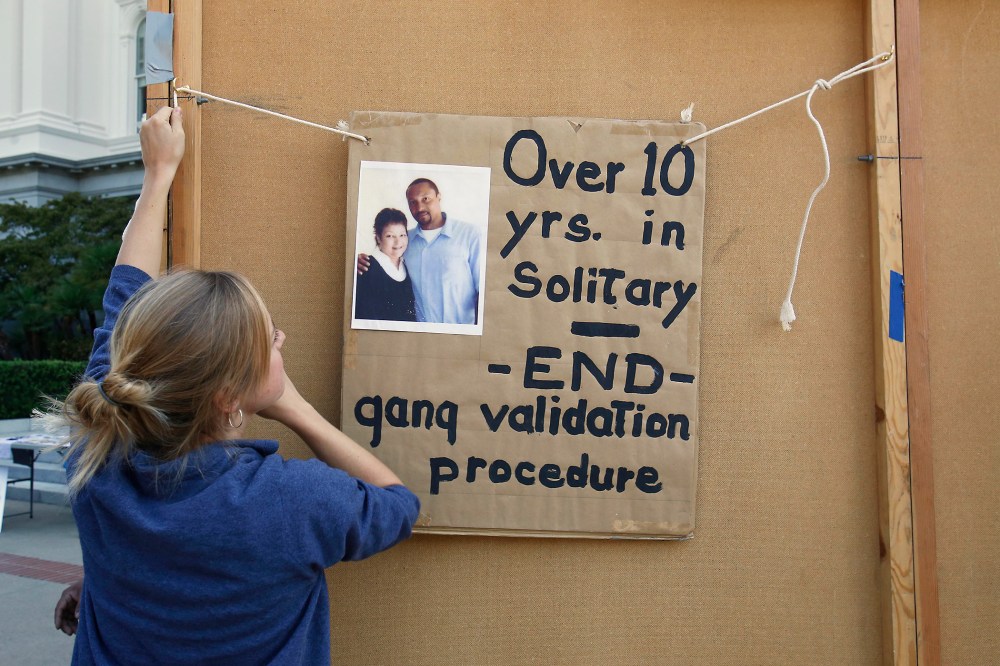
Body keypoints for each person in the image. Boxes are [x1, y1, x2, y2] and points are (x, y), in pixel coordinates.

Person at [50, 106, 419, 665]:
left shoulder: (96, 450)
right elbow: (398, 505)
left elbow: (124, 295)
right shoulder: (290, 500)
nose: (282, 338)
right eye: (268, 344)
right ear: (230, 399)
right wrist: (291, 405)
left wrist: (157, 176)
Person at [358, 178, 481, 325]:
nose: (420, 207)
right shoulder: (405, 240)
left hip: (460, 334)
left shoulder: (469, 234)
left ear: (439, 197)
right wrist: (358, 261)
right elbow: (383, 260)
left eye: (426, 199)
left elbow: (485, 292)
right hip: (418, 339)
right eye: (413, 202)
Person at [354, 208, 416, 321]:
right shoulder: (364, 268)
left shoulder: (406, 265)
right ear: (378, 238)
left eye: (402, 235)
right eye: (390, 236)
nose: (398, 242)